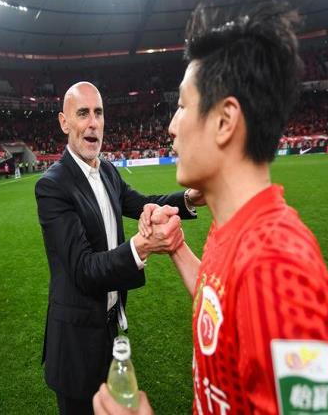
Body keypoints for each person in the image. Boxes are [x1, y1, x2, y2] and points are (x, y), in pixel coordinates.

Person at [93, 0, 328, 414]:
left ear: (224, 121)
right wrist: (176, 247)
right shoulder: (236, 228)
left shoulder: (276, 271)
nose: (171, 126)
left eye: (182, 106)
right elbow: (221, 305)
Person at [35, 81, 203, 415]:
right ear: (64, 123)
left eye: (98, 113)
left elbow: (143, 203)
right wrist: (141, 247)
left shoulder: (108, 172)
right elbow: (84, 269)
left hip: (108, 328)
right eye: (83, 113)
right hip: (76, 341)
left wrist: (188, 199)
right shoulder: (52, 186)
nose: (93, 122)